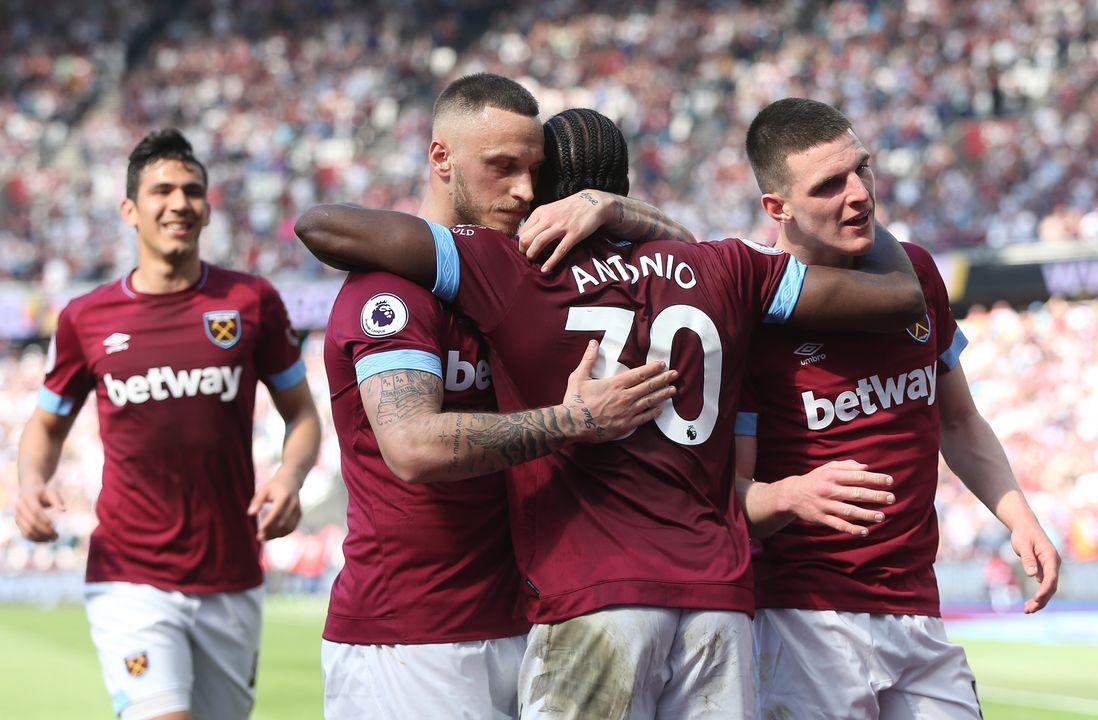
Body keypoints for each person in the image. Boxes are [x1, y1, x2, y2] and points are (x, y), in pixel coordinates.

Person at [297, 106, 926, 719]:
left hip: (593, 593)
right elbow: (899, 297)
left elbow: (325, 226)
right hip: (717, 599)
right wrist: (628, 212)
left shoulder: (513, 268)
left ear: (548, 190)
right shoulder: (724, 264)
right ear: (623, 187)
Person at [319, 74, 683, 719]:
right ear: (442, 158)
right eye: (502, 168)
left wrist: (610, 206)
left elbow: (693, 255)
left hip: (529, 616)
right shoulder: (393, 292)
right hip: (414, 636)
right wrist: (571, 421)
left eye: (534, 172)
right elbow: (411, 447)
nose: (522, 191)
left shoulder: (524, 278)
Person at [733, 98, 1061, 719]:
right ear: (777, 208)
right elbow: (726, 498)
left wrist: (1019, 516)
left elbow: (958, 419)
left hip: (917, 608)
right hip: (804, 619)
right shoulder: (750, 311)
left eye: (863, 170)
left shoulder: (916, 272)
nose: (859, 194)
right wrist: (790, 496)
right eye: (828, 184)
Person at [15, 129, 321, 720]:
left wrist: (291, 476)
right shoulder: (86, 318)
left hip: (232, 569)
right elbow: (45, 425)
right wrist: (30, 484)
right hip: (130, 575)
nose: (178, 202)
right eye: (161, 190)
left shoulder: (251, 301)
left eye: (192, 190)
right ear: (130, 209)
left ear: (207, 207)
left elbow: (302, 415)